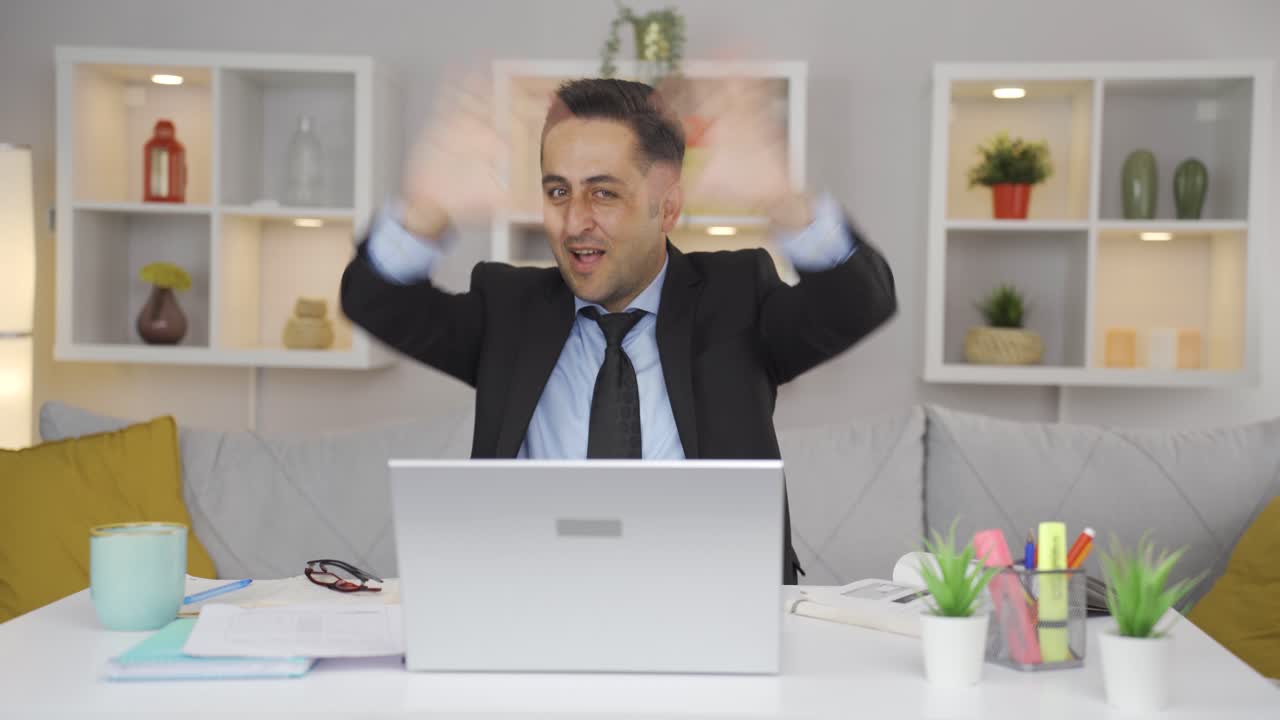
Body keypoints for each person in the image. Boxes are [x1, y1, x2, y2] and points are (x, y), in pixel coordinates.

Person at [341, 76, 897, 583]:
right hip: (528, 607)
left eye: (604, 192)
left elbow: (860, 303)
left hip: (712, 608)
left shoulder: (736, 297)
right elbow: (373, 301)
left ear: (668, 207)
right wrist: (427, 209)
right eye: (558, 191)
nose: (576, 219)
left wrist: (784, 202)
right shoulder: (508, 308)